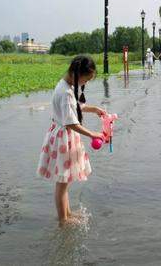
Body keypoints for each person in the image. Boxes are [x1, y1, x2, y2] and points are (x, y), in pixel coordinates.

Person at [36, 55, 106, 225]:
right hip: (64, 138)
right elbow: (71, 122)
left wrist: (93, 109)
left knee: (65, 180)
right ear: (78, 74)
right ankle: (63, 220)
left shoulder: (64, 85)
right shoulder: (66, 92)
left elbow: (75, 107)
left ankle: (67, 214)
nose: (85, 83)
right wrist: (93, 134)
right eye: (86, 79)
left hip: (61, 134)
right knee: (62, 182)